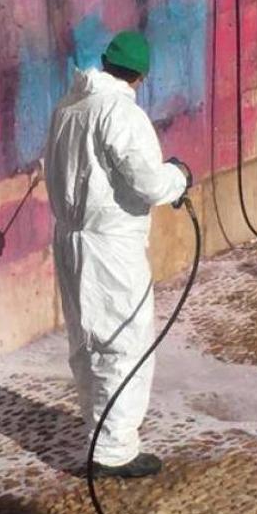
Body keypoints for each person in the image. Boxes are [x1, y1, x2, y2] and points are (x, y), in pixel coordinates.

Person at [44, 31, 192, 479]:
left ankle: (99, 429)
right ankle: (113, 449)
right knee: (122, 342)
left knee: (87, 340)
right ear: (140, 76)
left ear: (107, 62)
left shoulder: (68, 107)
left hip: (71, 239)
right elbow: (147, 182)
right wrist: (178, 178)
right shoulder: (120, 112)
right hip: (110, 245)